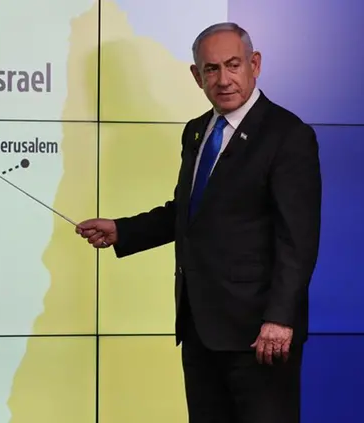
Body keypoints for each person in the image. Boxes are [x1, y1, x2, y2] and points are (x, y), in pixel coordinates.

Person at [76, 22, 321, 423]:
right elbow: (189, 212)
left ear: (255, 65)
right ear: (196, 75)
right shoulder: (196, 132)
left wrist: (280, 318)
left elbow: (298, 239)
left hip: (260, 335)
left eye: (233, 65)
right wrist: (123, 231)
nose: (223, 79)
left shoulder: (288, 135)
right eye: (211, 69)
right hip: (200, 330)